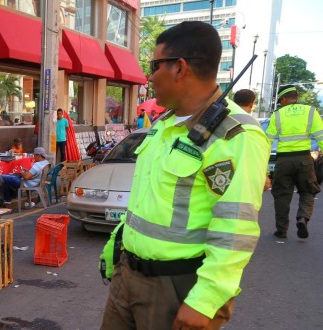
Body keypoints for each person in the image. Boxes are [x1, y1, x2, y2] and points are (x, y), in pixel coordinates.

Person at [101, 21, 269, 330]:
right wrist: (115, 249)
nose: (149, 76)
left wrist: (205, 301)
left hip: (177, 287)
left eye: (154, 65)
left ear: (180, 68)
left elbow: (234, 229)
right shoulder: (165, 123)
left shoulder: (235, 135)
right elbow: (146, 200)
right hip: (128, 276)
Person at [266, 85, 323, 239]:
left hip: (283, 161)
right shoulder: (311, 111)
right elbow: (321, 137)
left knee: (282, 195)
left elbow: (267, 142)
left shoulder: (277, 115)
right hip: (304, 160)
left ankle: (282, 230)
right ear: (296, 96)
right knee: (308, 191)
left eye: (280, 101)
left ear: (284, 99)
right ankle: (302, 218)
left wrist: (264, 167)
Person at [233, 89, 272, 190]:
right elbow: (261, 150)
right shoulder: (253, 125)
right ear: (252, 103)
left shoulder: (222, 118)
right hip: (247, 175)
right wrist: (265, 174)